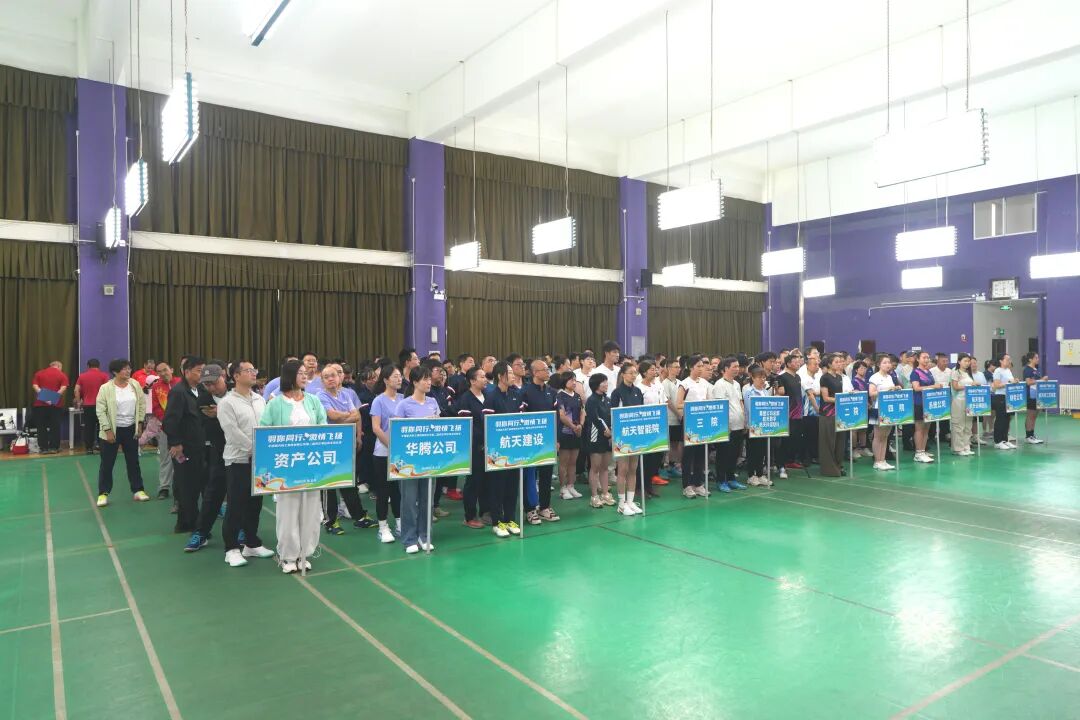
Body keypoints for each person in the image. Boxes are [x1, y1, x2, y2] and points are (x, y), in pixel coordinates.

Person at [259, 360, 328, 573]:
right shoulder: (275, 404)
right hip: (286, 467)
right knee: (288, 512)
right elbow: (264, 431)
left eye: (306, 373)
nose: (305, 376)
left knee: (311, 511)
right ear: (289, 376)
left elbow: (323, 426)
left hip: (311, 464)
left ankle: (304, 553)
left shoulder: (313, 401)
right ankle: (288, 556)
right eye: (300, 373)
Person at [217, 360, 275, 567]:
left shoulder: (260, 399)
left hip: (260, 460)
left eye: (254, 370)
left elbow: (267, 425)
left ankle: (251, 543)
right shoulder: (227, 402)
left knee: (255, 503)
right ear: (235, 376)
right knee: (236, 505)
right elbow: (232, 432)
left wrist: (265, 450)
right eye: (248, 370)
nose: (253, 373)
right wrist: (254, 449)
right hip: (238, 460)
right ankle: (231, 548)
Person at [317, 364, 374, 535]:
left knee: (349, 481)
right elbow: (331, 415)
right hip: (328, 445)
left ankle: (359, 517)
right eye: (326, 377)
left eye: (333, 375)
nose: (330, 379)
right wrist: (346, 415)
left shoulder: (345, 394)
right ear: (322, 381)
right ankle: (331, 521)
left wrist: (341, 419)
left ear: (339, 377)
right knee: (329, 483)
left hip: (346, 443)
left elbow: (356, 415)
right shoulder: (320, 396)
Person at [391, 366, 441, 554]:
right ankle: (409, 538)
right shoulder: (404, 405)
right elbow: (397, 431)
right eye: (424, 379)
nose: (428, 382)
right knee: (409, 501)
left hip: (429, 458)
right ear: (414, 382)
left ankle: (424, 535)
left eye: (429, 379)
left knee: (427, 499)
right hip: (408, 460)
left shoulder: (433, 402)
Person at [163, 356, 209, 535]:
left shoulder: (201, 389)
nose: (202, 374)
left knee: (198, 483)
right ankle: (188, 523)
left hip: (200, 445)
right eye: (199, 371)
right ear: (187, 372)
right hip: (184, 447)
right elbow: (170, 420)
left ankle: (189, 521)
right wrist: (175, 443)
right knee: (186, 485)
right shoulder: (178, 392)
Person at [186, 364, 230, 552]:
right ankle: (201, 533)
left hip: (244, 452)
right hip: (219, 452)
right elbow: (213, 428)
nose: (211, 387)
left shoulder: (237, 393)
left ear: (223, 376)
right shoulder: (203, 400)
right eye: (206, 384)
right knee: (212, 495)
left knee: (242, 496)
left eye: (214, 382)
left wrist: (220, 412)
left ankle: (243, 532)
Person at [94, 359, 150, 506]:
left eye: (129, 368)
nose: (128, 371)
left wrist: (139, 423)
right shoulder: (105, 388)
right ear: (115, 372)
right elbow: (100, 410)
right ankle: (103, 493)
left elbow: (141, 404)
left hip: (131, 429)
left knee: (133, 461)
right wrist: (107, 430)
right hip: (112, 430)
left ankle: (138, 490)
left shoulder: (134, 385)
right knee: (107, 463)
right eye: (124, 369)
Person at [486, 361, 525, 536]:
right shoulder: (491, 397)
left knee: (512, 487)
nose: (513, 375)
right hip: (497, 451)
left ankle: (510, 519)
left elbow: (522, 418)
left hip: (514, 448)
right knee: (497, 488)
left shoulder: (516, 395)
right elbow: (488, 424)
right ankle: (497, 522)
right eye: (509, 373)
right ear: (500, 376)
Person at [521, 358, 561, 523]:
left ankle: (545, 506)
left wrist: (556, 439)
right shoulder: (525, 392)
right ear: (535, 373)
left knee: (546, 474)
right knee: (530, 476)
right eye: (545, 369)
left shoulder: (552, 392)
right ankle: (530, 509)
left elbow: (556, 416)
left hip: (548, 441)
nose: (548, 372)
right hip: (530, 441)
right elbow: (522, 417)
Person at [370, 364, 405, 543]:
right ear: (385, 380)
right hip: (383, 452)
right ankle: (383, 526)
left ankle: (399, 522)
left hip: (401, 453)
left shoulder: (404, 399)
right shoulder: (379, 401)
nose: (399, 379)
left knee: (398, 490)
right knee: (383, 491)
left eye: (400, 376)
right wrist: (391, 446)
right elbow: (376, 428)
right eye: (395, 376)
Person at [454, 366, 492, 528]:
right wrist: (480, 438)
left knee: (487, 481)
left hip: (489, 446)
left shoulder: (488, 396)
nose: (485, 379)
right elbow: (465, 426)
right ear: (472, 381)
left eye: (485, 376)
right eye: (481, 377)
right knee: (473, 482)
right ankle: (469, 516)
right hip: (474, 447)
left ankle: (486, 512)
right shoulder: (465, 399)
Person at [609, 362, 644, 515]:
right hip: (622, 435)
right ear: (623, 374)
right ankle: (621, 503)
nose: (633, 375)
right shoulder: (617, 393)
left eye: (635, 373)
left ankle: (630, 501)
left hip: (635, 434)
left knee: (633, 469)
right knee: (622, 469)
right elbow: (613, 414)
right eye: (630, 373)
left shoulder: (638, 391)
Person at [675, 355, 711, 498]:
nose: (701, 368)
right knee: (688, 455)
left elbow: (708, 400)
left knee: (701, 453)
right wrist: (694, 406)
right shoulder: (684, 383)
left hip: (703, 421)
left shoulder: (704, 383)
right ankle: (687, 486)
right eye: (698, 366)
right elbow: (678, 404)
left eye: (702, 366)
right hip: (689, 422)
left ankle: (698, 484)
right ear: (691, 367)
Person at [710, 356, 748, 492]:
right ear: (726, 368)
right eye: (734, 367)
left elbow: (740, 402)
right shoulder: (719, 385)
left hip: (738, 426)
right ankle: (721, 480)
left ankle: (731, 479)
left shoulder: (736, 384)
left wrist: (744, 420)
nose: (737, 369)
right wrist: (725, 426)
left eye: (738, 366)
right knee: (723, 455)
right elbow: (720, 407)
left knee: (734, 454)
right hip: (727, 427)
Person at [146, 362, 181, 502]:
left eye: (165, 370)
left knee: (181, 457)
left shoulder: (181, 383)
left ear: (171, 369)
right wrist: (167, 422)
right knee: (165, 457)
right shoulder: (156, 387)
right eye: (159, 371)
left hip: (183, 428)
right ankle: (164, 487)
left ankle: (183, 486)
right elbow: (156, 408)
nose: (162, 373)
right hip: (166, 428)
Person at [584, 373, 614, 508]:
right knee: (595, 467)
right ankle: (594, 496)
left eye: (606, 381)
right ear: (596, 384)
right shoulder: (591, 400)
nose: (606, 384)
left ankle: (605, 493)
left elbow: (611, 416)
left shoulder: (607, 399)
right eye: (603, 382)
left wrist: (611, 430)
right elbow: (594, 418)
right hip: (596, 436)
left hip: (608, 436)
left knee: (605, 467)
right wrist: (605, 430)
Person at [636, 360, 666, 497]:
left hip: (658, 425)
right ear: (644, 372)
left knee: (656, 457)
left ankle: (648, 485)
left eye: (655, 369)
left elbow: (663, 402)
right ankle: (639, 487)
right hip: (645, 426)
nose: (655, 371)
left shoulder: (657, 386)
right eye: (652, 369)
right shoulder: (639, 388)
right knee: (644, 458)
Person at [554, 371, 584, 500]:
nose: (574, 382)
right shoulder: (559, 396)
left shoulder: (577, 396)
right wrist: (573, 426)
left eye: (575, 380)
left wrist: (580, 425)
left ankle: (571, 485)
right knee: (564, 462)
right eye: (571, 380)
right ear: (564, 381)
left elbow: (583, 411)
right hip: (564, 432)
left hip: (576, 433)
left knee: (573, 461)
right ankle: (563, 488)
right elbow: (561, 415)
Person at [742, 366, 773, 486]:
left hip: (764, 426)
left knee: (762, 451)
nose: (762, 380)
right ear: (753, 378)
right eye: (759, 377)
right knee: (753, 452)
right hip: (753, 427)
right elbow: (750, 409)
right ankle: (751, 475)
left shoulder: (765, 392)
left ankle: (760, 474)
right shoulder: (749, 392)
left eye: (764, 377)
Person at [817, 353, 847, 477]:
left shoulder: (839, 377)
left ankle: (838, 464)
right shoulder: (825, 378)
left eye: (840, 362)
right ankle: (828, 468)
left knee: (840, 441)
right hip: (827, 413)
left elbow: (839, 393)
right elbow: (826, 398)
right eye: (836, 362)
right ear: (829, 364)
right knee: (828, 441)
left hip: (838, 412)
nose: (839, 364)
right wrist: (841, 399)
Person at [775, 352, 804, 478]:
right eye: (795, 362)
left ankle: (789, 462)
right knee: (783, 442)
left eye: (799, 361)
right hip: (787, 415)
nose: (798, 363)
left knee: (794, 441)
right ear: (788, 363)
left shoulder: (797, 377)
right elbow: (780, 393)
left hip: (798, 414)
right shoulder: (781, 377)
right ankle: (780, 466)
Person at [31, 360, 68, 454]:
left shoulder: (39, 373)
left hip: (40, 405)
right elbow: (63, 388)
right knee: (55, 426)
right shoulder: (62, 375)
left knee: (41, 427)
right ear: (59, 366)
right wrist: (52, 398)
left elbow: (35, 386)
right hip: (56, 405)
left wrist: (44, 396)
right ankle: (54, 448)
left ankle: (43, 448)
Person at [909, 351, 940, 463]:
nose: (927, 359)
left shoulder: (928, 372)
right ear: (918, 359)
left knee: (926, 428)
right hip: (919, 403)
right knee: (919, 429)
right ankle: (918, 453)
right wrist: (933, 386)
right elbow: (916, 388)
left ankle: (923, 450)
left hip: (928, 403)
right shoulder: (915, 372)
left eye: (928, 357)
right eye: (924, 357)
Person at [868, 355, 897, 471]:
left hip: (889, 408)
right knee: (878, 436)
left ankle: (883, 460)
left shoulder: (889, 377)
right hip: (878, 409)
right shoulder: (874, 377)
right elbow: (871, 393)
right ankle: (877, 461)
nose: (888, 364)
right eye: (884, 362)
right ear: (878, 364)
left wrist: (896, 388)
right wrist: (886, 390)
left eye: (889, 362)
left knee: (885, 436)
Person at [74, 359, 109, 454]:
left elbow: (76, 390)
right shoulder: (104, 376)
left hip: (88, 405)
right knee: (102, 426)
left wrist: (78, 402)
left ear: (88, 366)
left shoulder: (82, 376)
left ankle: (89, 448)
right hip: (101, 405)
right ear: (99, 366)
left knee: (89, 427)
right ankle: (101, 446)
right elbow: (108, 391)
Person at [949, 353, 976, 456]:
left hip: (969, 401)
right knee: (958, 425)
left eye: (968, 361)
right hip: (958, 400)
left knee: (968, 425)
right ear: (959, 361)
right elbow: (955, 387)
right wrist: (969, 385)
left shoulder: (968, 373)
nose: (967, 363)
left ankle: (966, 446)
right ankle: (958, 448)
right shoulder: (955, 372)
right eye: (965, 361)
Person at [661, 357, 682, 482]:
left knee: (675, 443)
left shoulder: (680, 382)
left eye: (679, 367)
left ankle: (673, 466)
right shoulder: (665, 383)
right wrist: (678, 413)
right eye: (676, 367)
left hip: (678, 419)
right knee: (666, 444)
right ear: (669, 368)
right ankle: (663, 467)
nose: (678, 369)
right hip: (669, 418)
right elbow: (667, 401)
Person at [991, 353, 1017, 450]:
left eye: (1010, 359)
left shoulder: (1008, 370)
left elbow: (1010, 382)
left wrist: (1015, 381)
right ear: (1001, 361)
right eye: (1007, 359)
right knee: (1000, 419)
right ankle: (998, 441)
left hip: (1008, 396)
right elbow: (997, 385)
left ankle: (1005, 440)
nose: (1009, 361)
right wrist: (1009, 382)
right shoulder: (998, 370)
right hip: (1000, 396)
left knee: (1007, 419)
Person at [1021, 352, 1047, 444]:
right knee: (1030, 415)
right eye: (1036, 358)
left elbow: (1037, 381)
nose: (1038, 359)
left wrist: (1043, 381)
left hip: (1037, 396)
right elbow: (1028, 382)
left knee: (1034, 416)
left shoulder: (1036, 369)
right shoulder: (1027, 369)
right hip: (1030, 396)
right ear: (1030, 359)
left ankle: (1032, 434)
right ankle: (1028, 436)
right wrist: (1041, 380)